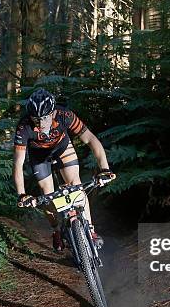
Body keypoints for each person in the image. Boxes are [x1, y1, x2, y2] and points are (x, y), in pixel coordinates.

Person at [12, 88, 115, 251]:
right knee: (47, 195)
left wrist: (104, 168)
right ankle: (56, 230)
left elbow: (90, 139)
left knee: (76, 185)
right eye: (35, 119)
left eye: (44, 118)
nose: (39, 123)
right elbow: (18, 163)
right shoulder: (24, 127)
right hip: (39, 156)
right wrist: (22, 194)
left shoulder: (65, 115)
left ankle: (90, 229)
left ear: (52, 113)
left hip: (62, 148)